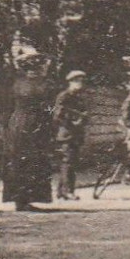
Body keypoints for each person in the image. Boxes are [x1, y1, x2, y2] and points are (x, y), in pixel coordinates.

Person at [2, 53, 54, 212]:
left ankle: (21, 199)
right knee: (30, 160)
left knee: (21, 160)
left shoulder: (18, 83)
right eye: (41, 67)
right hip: (31, 124)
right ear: (36, 68)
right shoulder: (39, 85)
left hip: (18, 123)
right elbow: (47, 105)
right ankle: (25, 199)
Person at [51, 69, 91, 201]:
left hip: (76, 135)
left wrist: (82, 119)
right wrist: (73, 122)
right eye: (77, 81)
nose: (80, 84)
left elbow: (85, 115)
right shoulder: (64, 96)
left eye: (81, 81)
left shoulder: (79, 97)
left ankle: (61, 191)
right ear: (70, 82)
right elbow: (58, 115)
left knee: (70, 163)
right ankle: (68, 191)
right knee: (68, 162)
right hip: (66, 134)